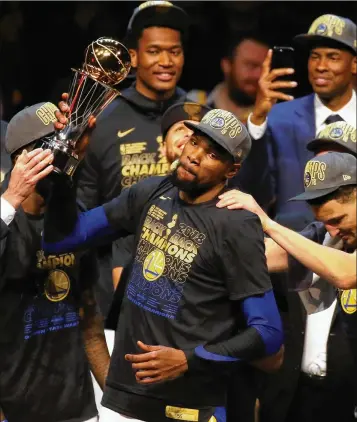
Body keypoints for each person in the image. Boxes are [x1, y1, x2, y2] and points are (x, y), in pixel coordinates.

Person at [43, 109, 284, 422]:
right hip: (125, 401)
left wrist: (189, 360)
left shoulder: (236, 224)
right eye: (194, 142)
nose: (194, 156)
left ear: (232, 169)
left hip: (191, 406)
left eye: (211, 153)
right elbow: (61, 239)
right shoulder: (152, 192)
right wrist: (67, 169)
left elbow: (268, 333)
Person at [56, 0, 190, 324]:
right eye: (155, 51)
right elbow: (83, 210)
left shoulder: (197, 117)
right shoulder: (102, 118)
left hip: (188, 299)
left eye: (174, 51)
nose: (166, 61)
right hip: (112, 295)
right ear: (132, 57)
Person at [217, 150, 357, 422]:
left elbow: (346, 273)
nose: (332, 231)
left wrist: (268, 223)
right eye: (324, 222)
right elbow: (259, 258)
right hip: (301, 397)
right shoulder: (320, 236)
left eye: (338, 220)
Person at [0, 103, 109, 422]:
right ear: (22, 158)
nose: (66, 159)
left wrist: (121, 407)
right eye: (54, 149)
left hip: (78, 411)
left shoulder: (73, 216)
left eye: (70, 147)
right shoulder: (4, 220)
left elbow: (90, 323)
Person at [247, 14, 357, 231]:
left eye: (332, 57)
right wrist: (257, 120)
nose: (321, 66)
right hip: (290, 249)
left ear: (354, 64)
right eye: (315, 56)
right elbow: (253, 189)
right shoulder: (278, 118)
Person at [188, 32, 269, 124]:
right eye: (251, 66)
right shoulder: (192, 103)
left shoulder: (269, 118)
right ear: (226, 65)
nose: (258, 75)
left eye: (265, 68)